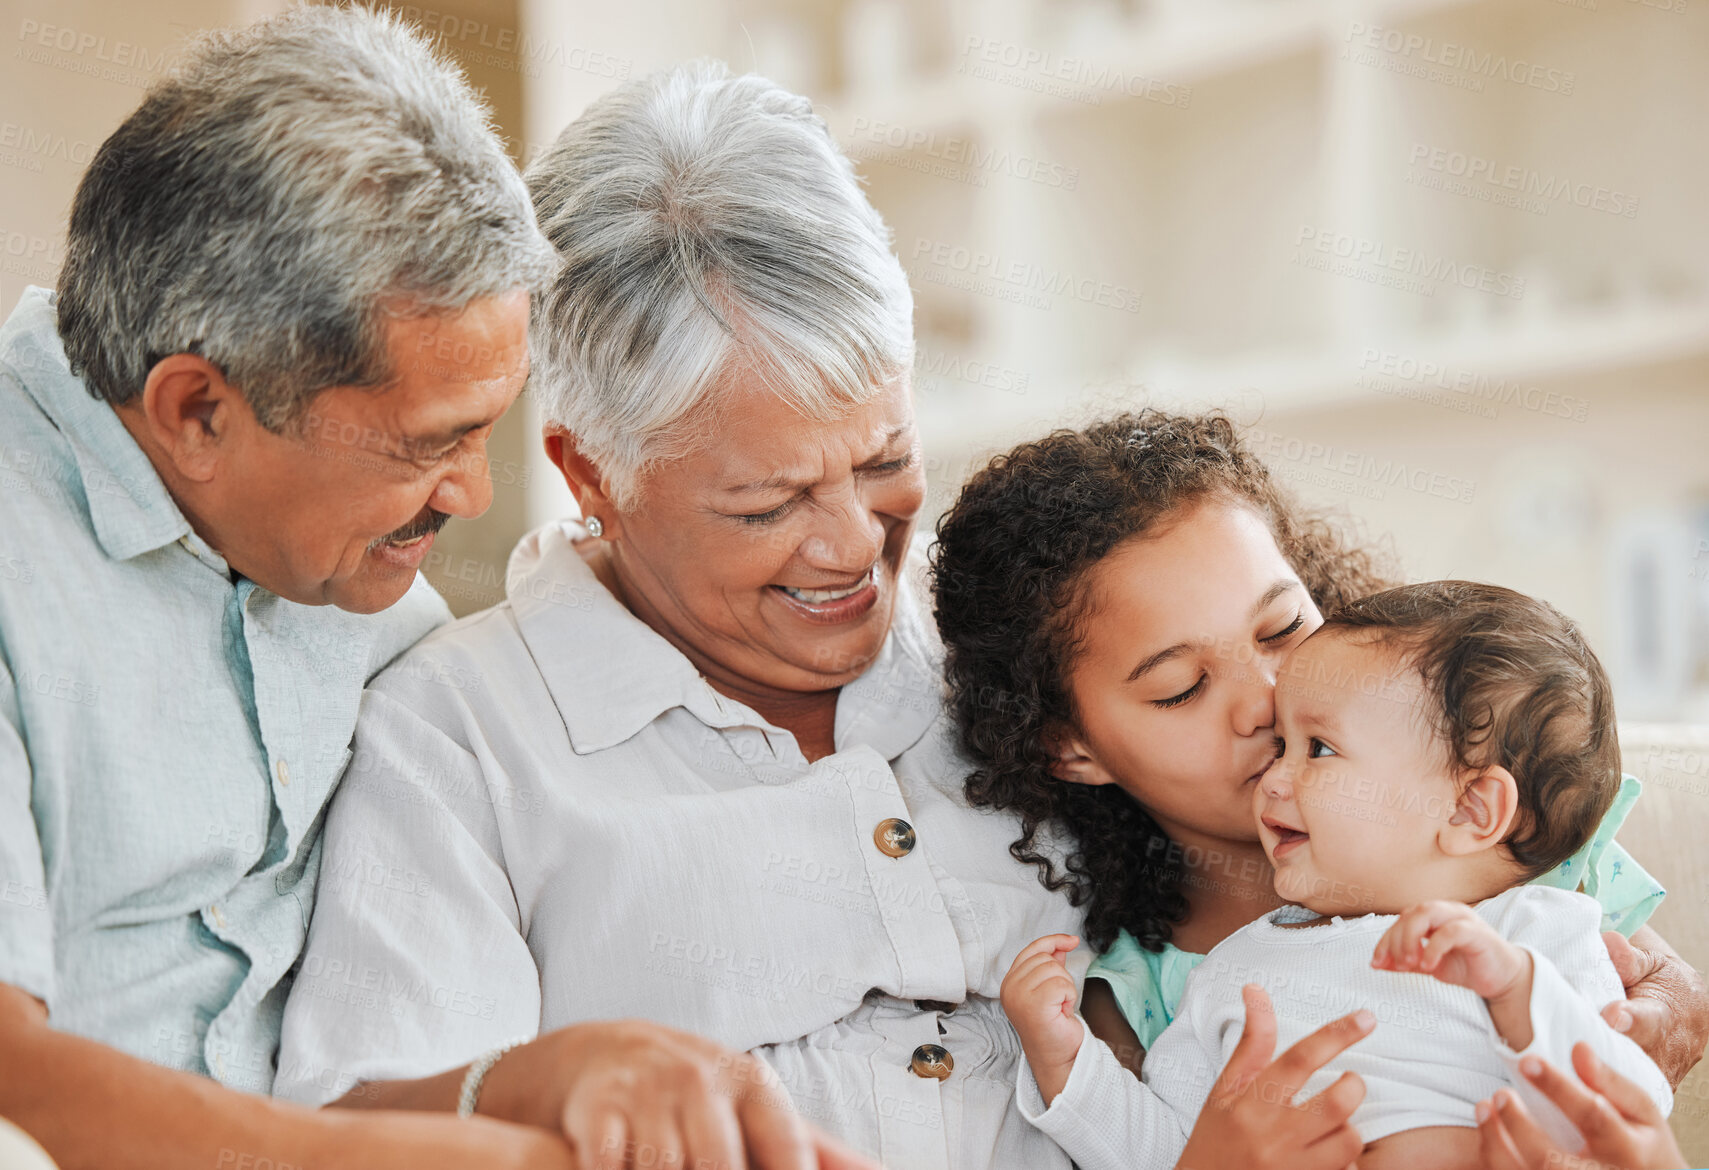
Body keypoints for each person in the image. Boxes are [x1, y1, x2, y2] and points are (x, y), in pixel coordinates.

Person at [272, 62, 1369, 1170]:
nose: (852, 543)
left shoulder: (1021, 635)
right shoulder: (459, 736)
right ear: (590, 474)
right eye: (766, 504)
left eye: (885, 459)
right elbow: (354, 1130)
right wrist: (538, 1087)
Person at [0, 12, 855, 1168]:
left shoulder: (381, 615)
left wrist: (525, 1083)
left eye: (489, 431)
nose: (466, 494)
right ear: (198, 411)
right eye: (425, 443)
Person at [931, 409, 1708, 1170]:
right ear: (1067, 747)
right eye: (1180, 687)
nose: (1266, 695)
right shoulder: (1142, 997)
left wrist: (1652, 1019)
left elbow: (1648, 1012)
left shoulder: (1510, 850)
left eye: (1279, 630)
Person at [1002, 581, 1673, 1169]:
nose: (1273, 777)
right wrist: (1067, 1068)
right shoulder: (1232, 972)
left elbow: (1628, 1102)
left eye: (1316, 749)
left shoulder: (1530, 935)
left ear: (1470, 808)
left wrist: (1514, 992)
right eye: (1282, 746)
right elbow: (1171, 1152)